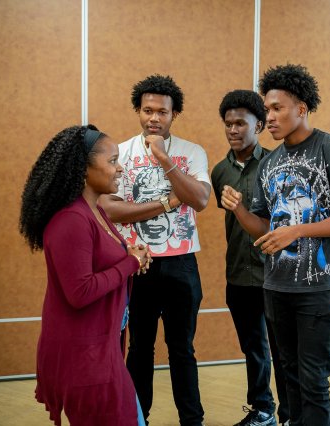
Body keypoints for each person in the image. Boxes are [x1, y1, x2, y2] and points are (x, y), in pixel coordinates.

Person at [220, 64, 330, 426]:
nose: (269, 117)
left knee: (314, 379)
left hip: (319, 285)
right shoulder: (271, 162)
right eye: (266, 109)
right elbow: (264, 228)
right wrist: (239, 210)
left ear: (301, 108)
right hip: (276, 285)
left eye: (277, 108)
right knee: (289, 376)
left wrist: (297, 231)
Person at [19, 124, 151, 425]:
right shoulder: (71, 219)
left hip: (102, 350)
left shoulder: (94, 210)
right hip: (85, 359)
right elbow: (80, 292)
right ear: (83, 169)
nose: (120, 168)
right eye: (113, 161)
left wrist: (131, 255)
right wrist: (130, 263)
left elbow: (102, 259)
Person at [99, 74, 210, 426]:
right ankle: (137, 418)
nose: (154, 118)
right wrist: (168, 203)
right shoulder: (121, 153)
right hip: (137, 265)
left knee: (182, 349)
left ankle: (192, 421)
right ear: (138, 111)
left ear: (173, 114)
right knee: (139, 349)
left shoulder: (192, 152)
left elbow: (200, 199)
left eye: (162, 112)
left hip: (181, 264)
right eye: (148, 110)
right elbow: (109, 208)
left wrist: (164, 159)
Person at [211, 89, 289, 426]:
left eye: (240, 123)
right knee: (254, 349)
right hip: (238, 276)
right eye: (228, 124)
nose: (233, 130)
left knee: (283, 351)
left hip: (275, 275)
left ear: (258, 126)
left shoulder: (277, 164)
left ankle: (290, 414)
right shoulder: (219, 172)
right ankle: (262, 410)